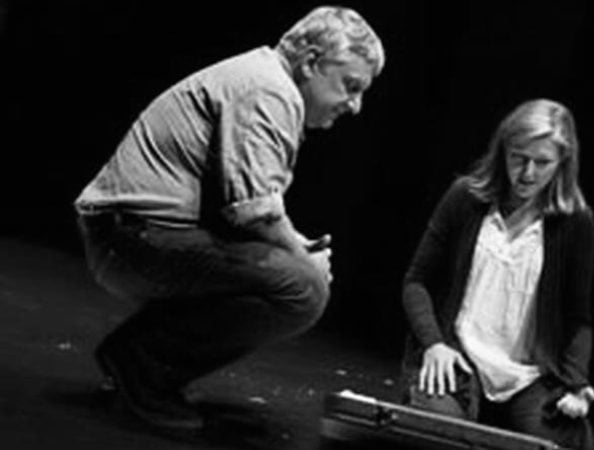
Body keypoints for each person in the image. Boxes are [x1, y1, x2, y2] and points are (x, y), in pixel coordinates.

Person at [74, 6, 384, 431]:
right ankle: (141, 366)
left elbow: (247, 209)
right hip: (132, 241)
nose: (356, 106)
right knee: (303, 288)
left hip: (133, 235)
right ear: (311, 61)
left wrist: (296, 247)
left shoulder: (262, 78)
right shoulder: (269, 90)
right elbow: (252, 212)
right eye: (351, 86)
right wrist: (303, 256)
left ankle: (136, 355)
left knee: (291, 270)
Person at [401, 99, 594, 449]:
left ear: (562, 164)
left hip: (528, 374)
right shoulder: (465, 198)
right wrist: (433, 343)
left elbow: (577, 316)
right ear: (502, 151)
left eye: (543, 163)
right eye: (519, 158)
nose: (528, 174)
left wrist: (576, 381)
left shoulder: (575, 222)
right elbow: (416, 281)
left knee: (559, 440)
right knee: (435, 431)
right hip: (459, 359)